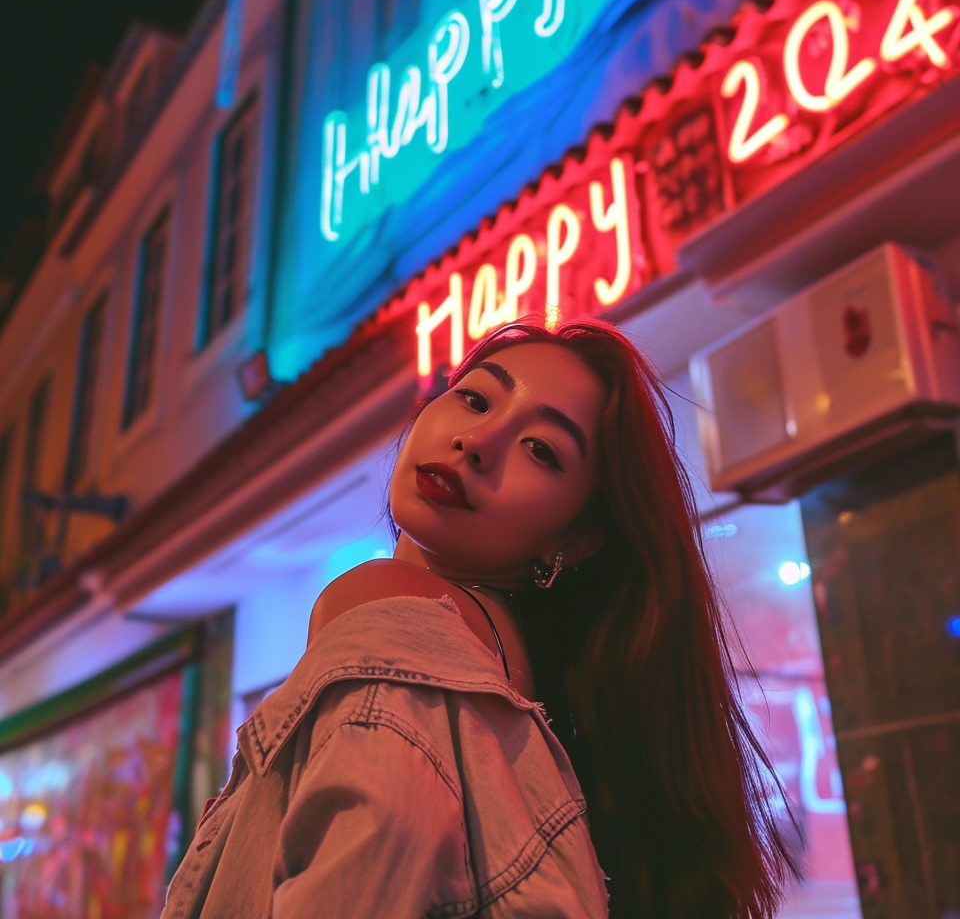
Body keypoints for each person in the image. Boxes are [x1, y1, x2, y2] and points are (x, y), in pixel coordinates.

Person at [162, 318, 798, 919]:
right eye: (475, 400)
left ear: (574, 541)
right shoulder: (511, 681)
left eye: (541, 450)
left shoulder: (387, 611)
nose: (478, 443)